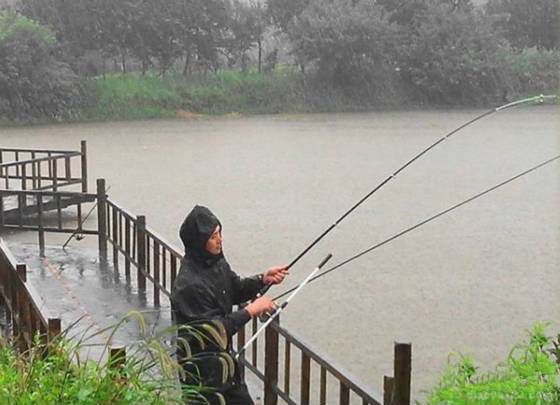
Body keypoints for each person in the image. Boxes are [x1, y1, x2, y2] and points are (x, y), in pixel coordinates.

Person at [171, 205, 288, 405]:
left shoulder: (216, 262)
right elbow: (214, 330)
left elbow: (234, 288)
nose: (220, 239)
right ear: (199, 242)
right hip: (202, 375)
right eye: (213, 236)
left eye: (220, 233)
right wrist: (252, 310)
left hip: (226, 369)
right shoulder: (188, 284)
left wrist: (263, 279)